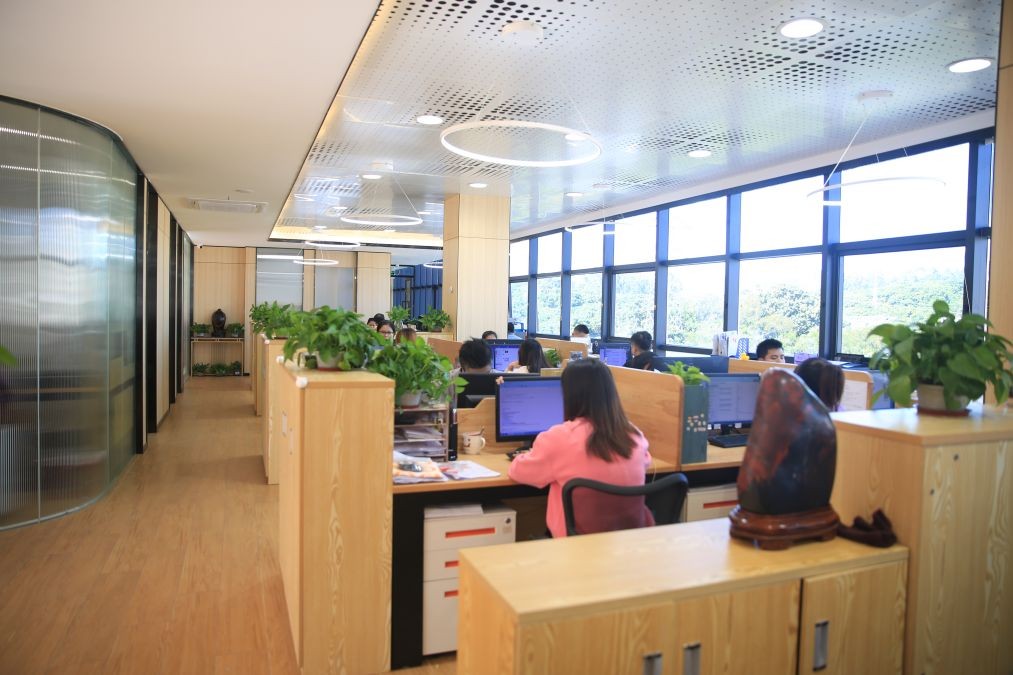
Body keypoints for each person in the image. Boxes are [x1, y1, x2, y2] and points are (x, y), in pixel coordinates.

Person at [508, 359, 652, 538]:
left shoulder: (558, 438)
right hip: (627, 542)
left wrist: (527, 454)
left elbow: (518, 472)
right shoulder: (633, 435)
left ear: (568, 395)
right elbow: (645, 462)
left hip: (575, 546)